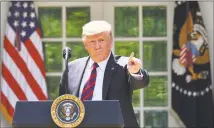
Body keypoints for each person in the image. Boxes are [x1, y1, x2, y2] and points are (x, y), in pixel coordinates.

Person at [59, 20, 149, 127]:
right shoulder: (72, 68)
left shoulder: (124, 65)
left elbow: (141, 81)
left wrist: (135, 71)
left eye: (101, 40)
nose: (97, 46)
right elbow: (61, 105)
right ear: (85, 45)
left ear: (110, 42)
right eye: (92, 42)